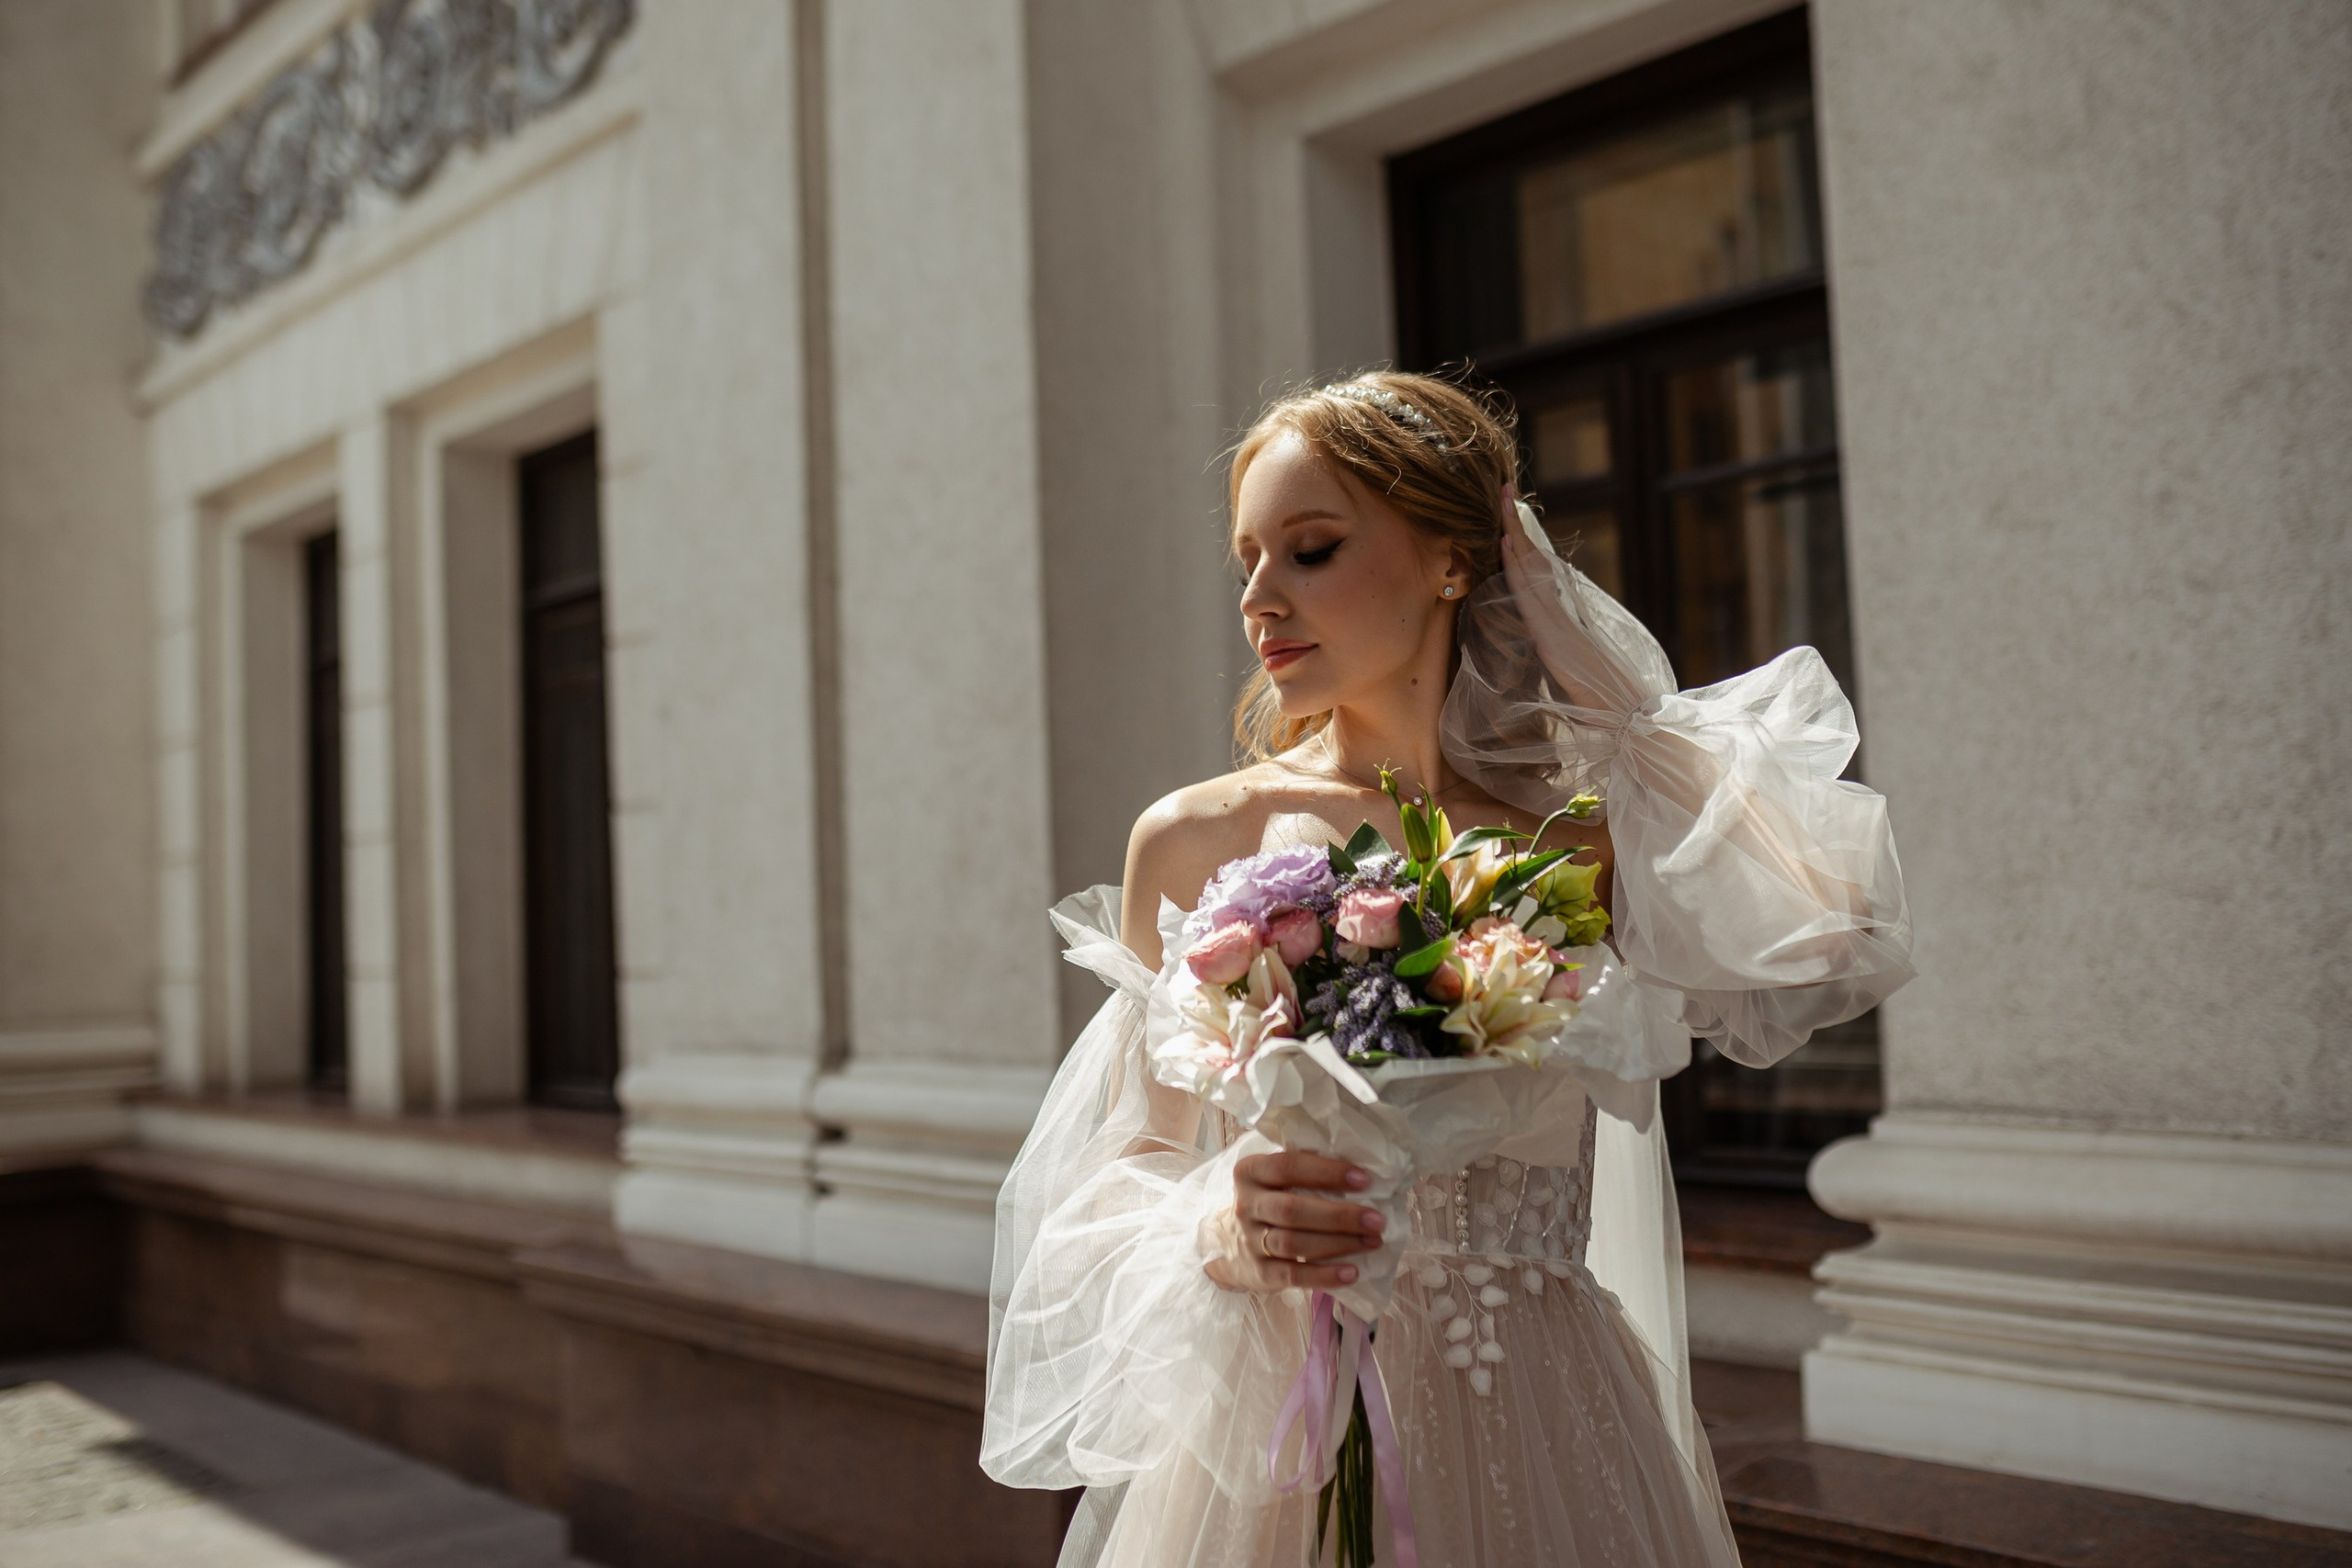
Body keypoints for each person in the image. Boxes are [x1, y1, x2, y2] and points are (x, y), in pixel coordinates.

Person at [983, 371, 1913, 1565]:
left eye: (1310, 549)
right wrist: (1221, 1222)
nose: (1260, 597)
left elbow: (1831, 936)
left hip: (1549, 1420)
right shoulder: (1202, 838)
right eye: (1247, 561)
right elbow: (1128, 1169)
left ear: (1452, 561)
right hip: (1293, 1440)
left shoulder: (1578, 841)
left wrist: (1616, 700)